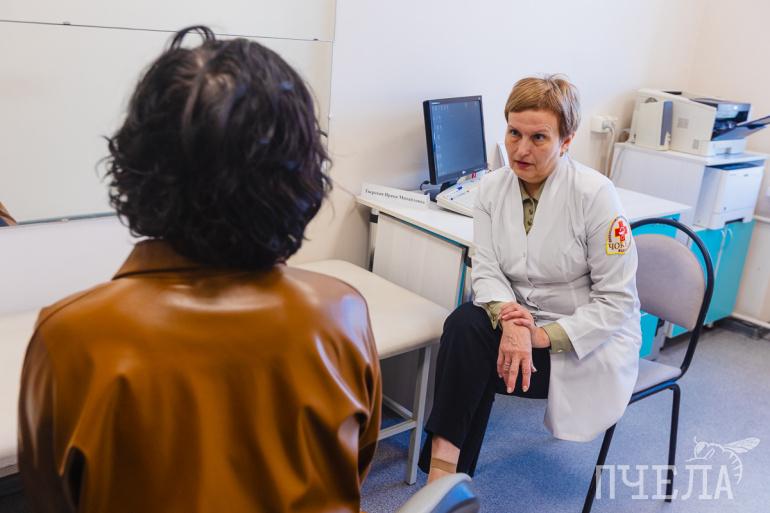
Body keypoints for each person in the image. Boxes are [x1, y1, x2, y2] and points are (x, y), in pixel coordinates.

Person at [18, 26, 381, 513]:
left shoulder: (70, 337)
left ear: (140, 166)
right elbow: (353, 469)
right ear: (299, 175)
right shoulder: (341, 314)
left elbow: (53, 499)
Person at [419, 75, 641, 481]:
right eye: (514, 133)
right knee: (464, 326)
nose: (521, 150)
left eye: (538, 137)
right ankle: (444, 479)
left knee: (469, 362)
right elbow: (487, 269)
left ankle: (445, 483)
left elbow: (618, 302)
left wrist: (539, 336)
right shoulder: (491, 188)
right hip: (519, 326)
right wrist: (512, 323)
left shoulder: (596, 196)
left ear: (566, 141)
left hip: (582, 345)